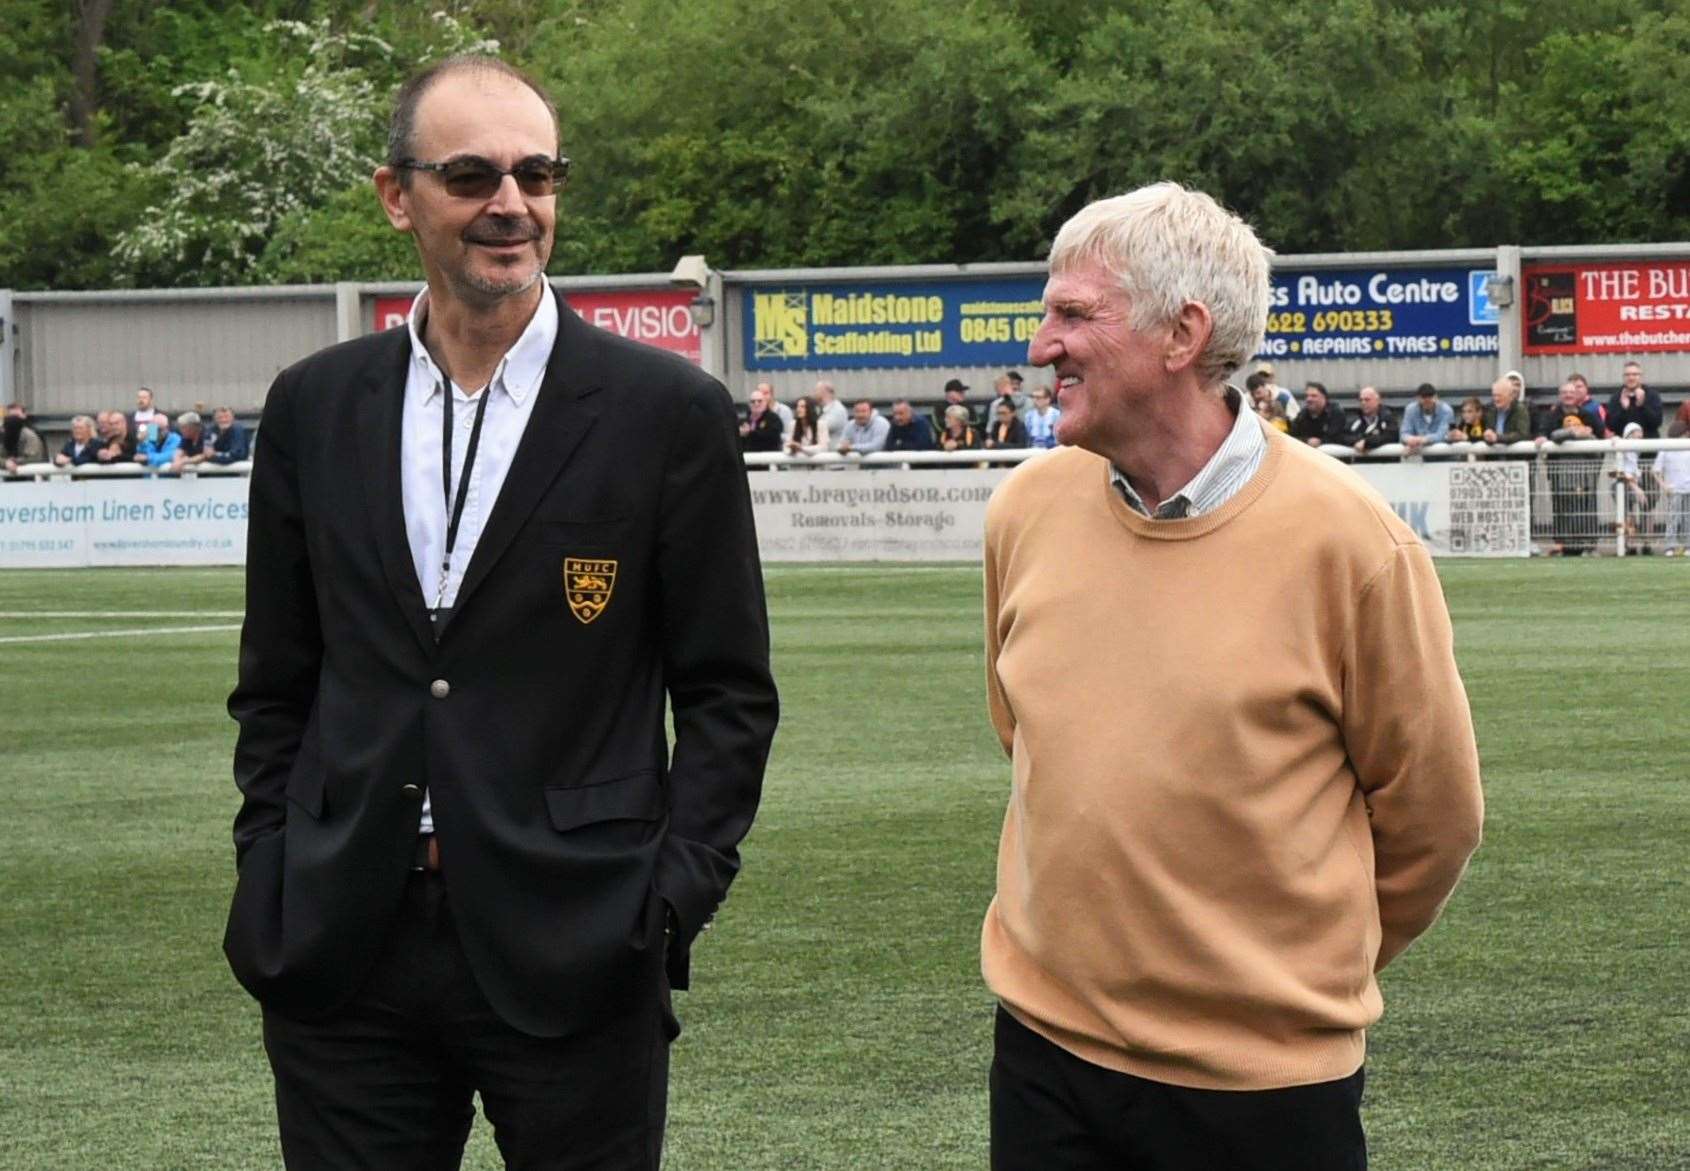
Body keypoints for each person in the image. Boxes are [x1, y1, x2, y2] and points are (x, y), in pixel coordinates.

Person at [223, 55, 778, 1170]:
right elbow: (278, 678)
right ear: (397, 196)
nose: (510, 205)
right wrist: (272, 858)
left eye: (537, 173)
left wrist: (671, 896)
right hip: (344, 942)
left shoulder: (665, 412)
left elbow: (726, 689)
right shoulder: (314, 407)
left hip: (580, 938)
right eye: (471, 176)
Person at [983, 182, 1482, 1171]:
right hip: (1043, 1060)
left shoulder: (1353, 544)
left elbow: (1433, 820)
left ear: (1182, 335)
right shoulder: (1024, 510)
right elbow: (1028, 735)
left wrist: (1280, 979)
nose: (1043, 344)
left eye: (1074, 314)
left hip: (1264, 1094)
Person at [1535, 379, 1606, 555]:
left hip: (1585, 471)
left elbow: (1599, 435)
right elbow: (1546, 434)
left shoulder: (1589, 415)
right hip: (1558, 471)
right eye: (1564, 392)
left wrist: (1587, 436)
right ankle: (1563, 544)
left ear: (1578, 395)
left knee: (1586, 507)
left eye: (1571, 392)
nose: (1568, 395)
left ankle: (1589, 544)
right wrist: (1573, 432)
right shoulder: (1551, 415)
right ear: (1560, 396)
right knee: (1561, 506)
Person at [1655, 420, 1690, 557]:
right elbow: (1656, 471)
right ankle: (1670, 546)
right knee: (1673, 518)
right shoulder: (1666, 447)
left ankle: (1688, 546)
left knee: (1688, 518)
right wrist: (1664, 485)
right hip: (1674, 489)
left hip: (1688, 488)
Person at [1606, 361, 1663, 438]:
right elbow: (1611, 426)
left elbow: (1657, 423)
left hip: (1648, 445)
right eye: (1627, 375)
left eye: (1635, 374)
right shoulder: (1616, 397)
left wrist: (1642, 406)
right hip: (1624, 445)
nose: (1631, 378)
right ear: (1623, 377)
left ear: (1641, 377)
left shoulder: (1652, 395)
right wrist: (1624, 410)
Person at [1288, 381, 1346, 447]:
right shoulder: (1303, 414)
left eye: (1314, 396)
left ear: (1324, 397)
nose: (1309, 399)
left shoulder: (1335, 413)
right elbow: (1292, 437)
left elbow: (1337, 438)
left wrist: (1320, 441)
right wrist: (1306, 441)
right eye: (1307, 396)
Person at [1401, 383, 1453, 452]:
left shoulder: (1446, 410)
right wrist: (1411, 440)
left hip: (1444, 454)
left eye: (1430, 396)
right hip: (1420, 454)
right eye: (1424, 397)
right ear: (1417, 398)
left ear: (1436, 397)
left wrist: (1422, 440)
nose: (1427, 400)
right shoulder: (1410, 409)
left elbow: (1442, 435)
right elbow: (1404, 433)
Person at [1346, 385, 1398, 452]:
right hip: (1361, 462)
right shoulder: (1355, 421)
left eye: (1367, 400)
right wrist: (1358, 441)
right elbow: (1343, 437)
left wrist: (1366, 442)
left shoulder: (1389, 418)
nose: (1363, 403)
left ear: (1378, 401)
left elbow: (1390, 437)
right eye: (1361, 400)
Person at [1482, 376, 1532, 445]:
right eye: (1494, 395)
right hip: (1493, 454)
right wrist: (1488, 436)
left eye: (1499, 396)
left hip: (1514, 454)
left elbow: (1522, 435)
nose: (1496, 399)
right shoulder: (1490, 410)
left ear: (1511, 396)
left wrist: (1498, 438)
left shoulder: (1520, 410)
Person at [738, 382, 784, 453]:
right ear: (749, 404)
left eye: (760, 401)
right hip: (748, 459)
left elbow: (772, 437)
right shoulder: (743, 421)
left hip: (768, 459)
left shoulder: (774, 419)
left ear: (765, 402)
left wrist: (750, 433)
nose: (756, 404)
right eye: (753, 401)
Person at [3, 403, 46, 473]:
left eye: (16, 416)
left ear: (24, 415)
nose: (13, 419)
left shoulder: (33, 434)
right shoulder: (3, 434)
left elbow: (36, 458)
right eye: (11, 417)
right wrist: (5, 463)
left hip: (32, 475)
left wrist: (14, 461)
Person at [1022, 385, 1061, 449]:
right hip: (1032, 450)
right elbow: (1027, 438)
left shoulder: (1057, 415)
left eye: (1038, 397)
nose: (1034, 400)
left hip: (1052, 450)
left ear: (1048, 399)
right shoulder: (1028, 416)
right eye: (1033, 397)